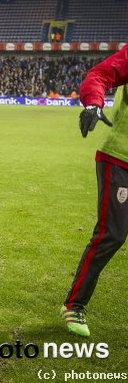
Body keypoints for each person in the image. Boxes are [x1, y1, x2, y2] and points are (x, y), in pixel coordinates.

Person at [61, 41, 128, 337]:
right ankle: (74, 305)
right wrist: (92, 102)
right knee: (111, 234)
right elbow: (99, 75)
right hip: (121, 158)